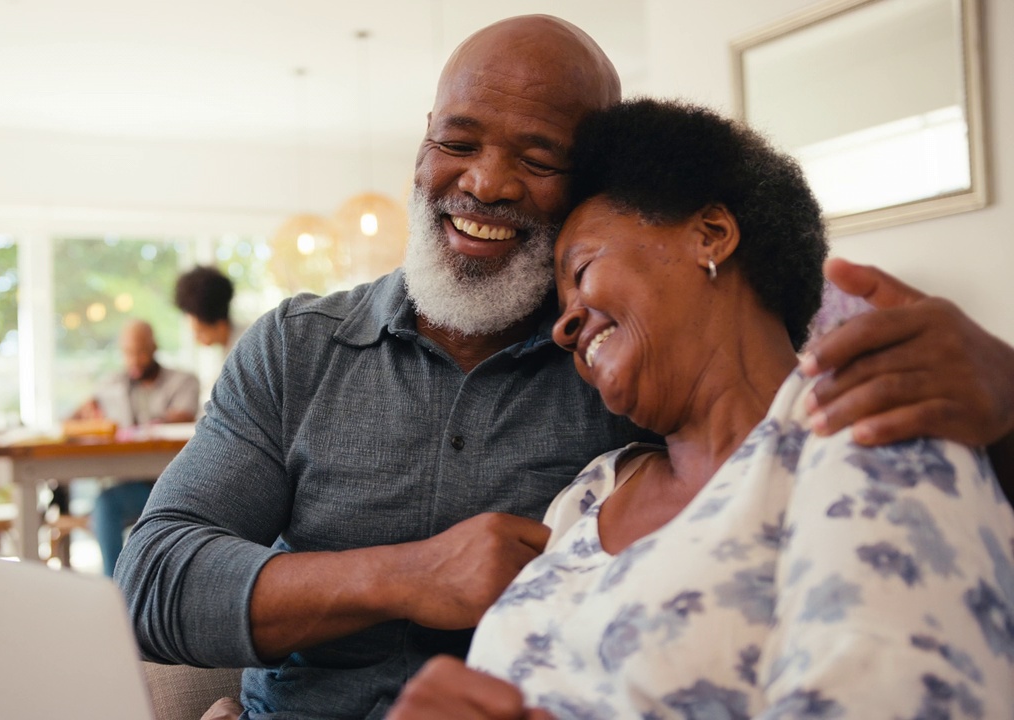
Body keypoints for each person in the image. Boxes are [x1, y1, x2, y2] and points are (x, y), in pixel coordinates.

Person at [117, 15, 1014, 719]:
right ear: (423, 146)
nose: (488, 183)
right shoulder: (297, 347)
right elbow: (154, 580)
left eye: (538, 157)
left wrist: (1008, 393)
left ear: (584, 188)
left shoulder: (635, 352)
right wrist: (411, 574)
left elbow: (806, 365)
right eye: (459, 140)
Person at [389, 98, 1014, 719]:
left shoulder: (862, 421)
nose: (565, 325)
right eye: (559, 302)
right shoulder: (592, 491)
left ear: (710, 235)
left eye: (582, 269)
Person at [73, 319, 199, 576]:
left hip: (173, 484)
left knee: (105, 506)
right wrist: (89, 415)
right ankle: (116, 590)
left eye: (141, 351)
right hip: (131, 484)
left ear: (154, 347)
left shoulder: (183, 381)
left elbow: (183, 417)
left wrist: (150, 424)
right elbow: (74, 417)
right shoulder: (113, 384)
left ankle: (130, 589)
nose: (135, 360)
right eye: (128, 353)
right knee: (105, 504)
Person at [175, 265, 238, 350]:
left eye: (200, 332)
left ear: (220, 324)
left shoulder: (245, 349)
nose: (196, 340)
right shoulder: (228, 348)